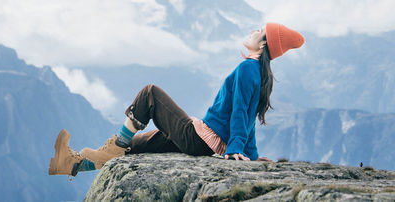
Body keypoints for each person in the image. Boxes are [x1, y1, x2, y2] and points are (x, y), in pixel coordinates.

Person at [48, 22, 305, 176]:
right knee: (134, 146)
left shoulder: (247, 69)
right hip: (202, 137)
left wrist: (238, 150)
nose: (253, 30)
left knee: (150, 93)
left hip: (198, 139)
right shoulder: (254, 72)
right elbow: (248, 116)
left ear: (262, 46)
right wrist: (251, 153)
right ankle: (71, 164)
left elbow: (240, 113)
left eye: (259, 31)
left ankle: (114, 145)